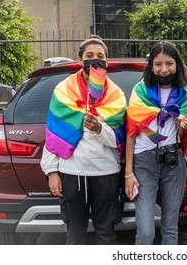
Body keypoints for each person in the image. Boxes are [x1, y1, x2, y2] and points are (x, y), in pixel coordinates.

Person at [40, 38, 126, 245]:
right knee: (75, 233)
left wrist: (98, 128)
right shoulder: (63, 91)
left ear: (107, 61)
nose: (94, 61)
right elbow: (53, 133)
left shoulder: (116, 95)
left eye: (100, 57)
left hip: (105, 172)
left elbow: (120, 140)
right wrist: (52, 172)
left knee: (106, 233)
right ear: (80, 60)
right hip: (72, 172)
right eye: (89, 56)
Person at [125, 41, 187, 245]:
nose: (164, 69)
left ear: (177, 65)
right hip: (144, 162)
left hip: (173, 159)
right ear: (151, 66)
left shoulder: (186, 95)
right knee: (146, 231)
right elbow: (131, 132)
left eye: (169, 63)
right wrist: (128, 172)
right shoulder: (140, 91)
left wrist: (186, 124)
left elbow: (181, 135)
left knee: (171, 227)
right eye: (158, 64)